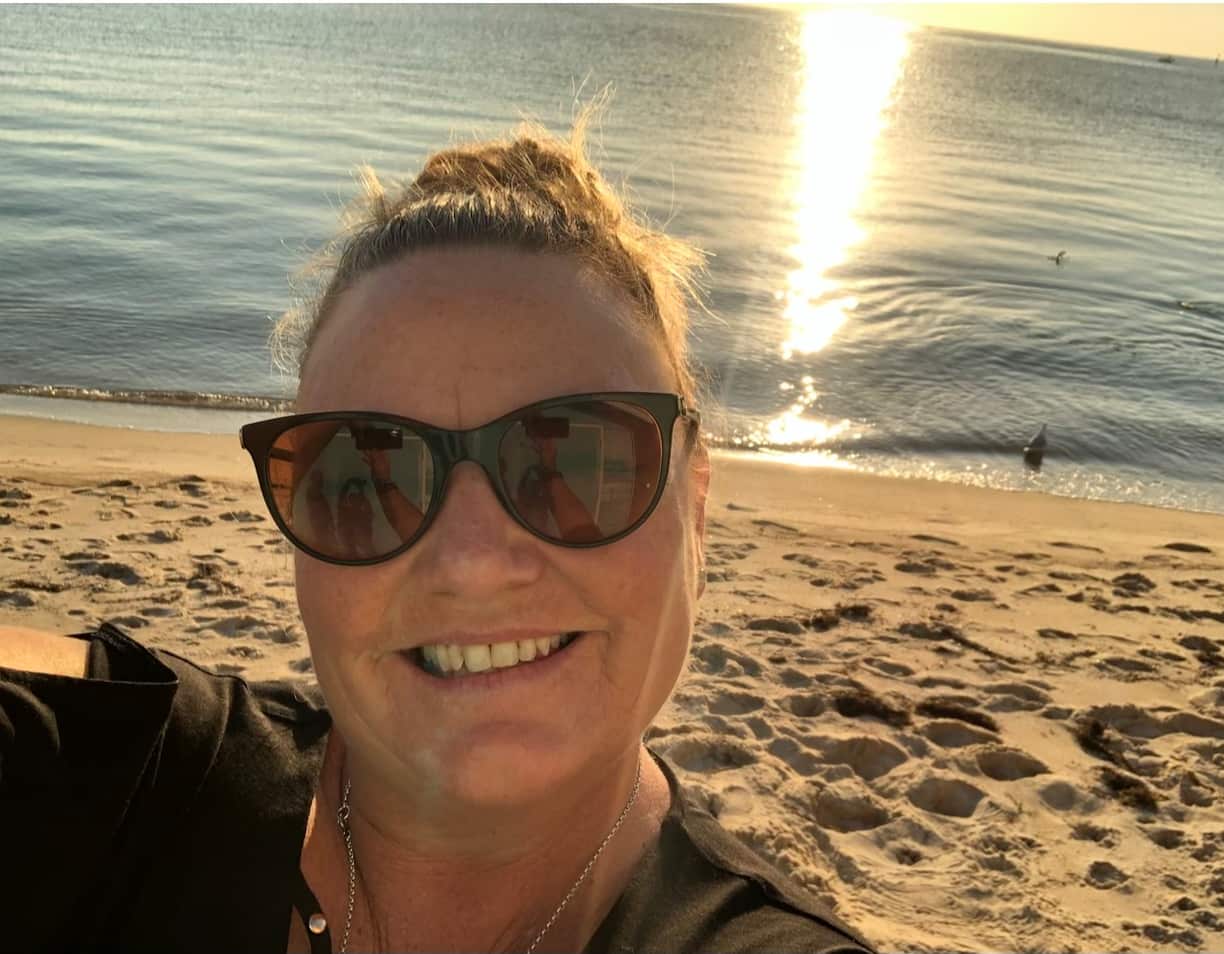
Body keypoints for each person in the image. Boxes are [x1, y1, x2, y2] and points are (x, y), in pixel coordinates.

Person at [0, 106, 878, 954]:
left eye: (576, 464)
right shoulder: (126, 790)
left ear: (694, 503)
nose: (470, 562)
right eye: (364, 474)